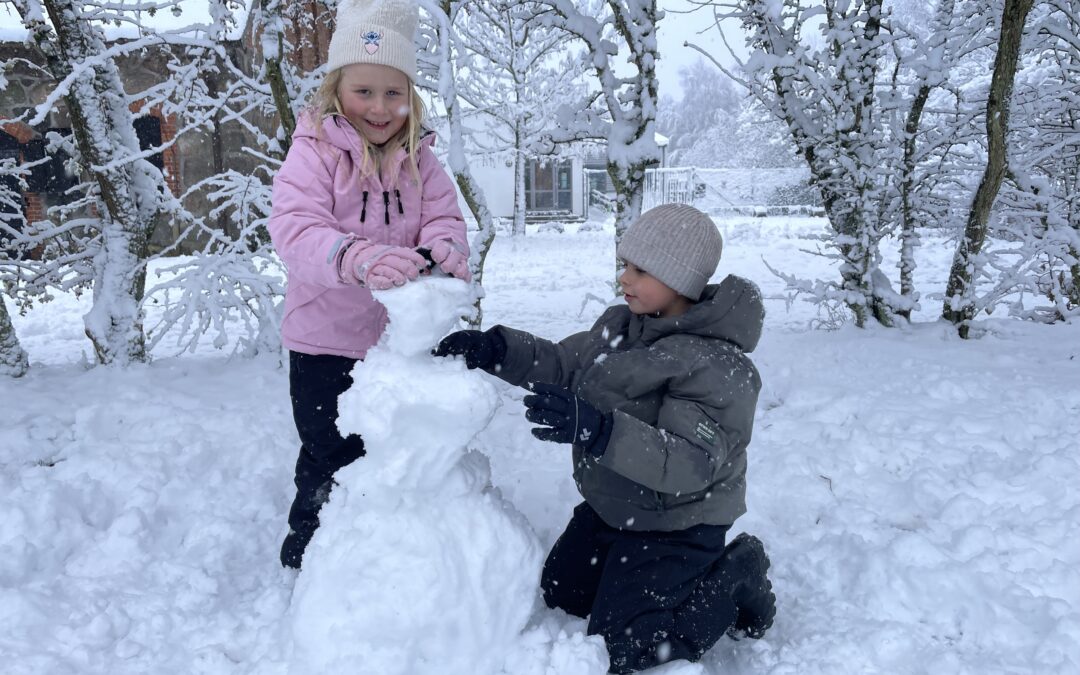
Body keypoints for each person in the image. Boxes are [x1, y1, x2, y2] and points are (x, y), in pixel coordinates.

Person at [434, 204, 776, 673]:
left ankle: (735, 576)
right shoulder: (620, 327)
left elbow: (688, 465)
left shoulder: (716, 366)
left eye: (640, 269)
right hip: (619, 508)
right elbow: (562, 363)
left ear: (680, 280)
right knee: (562, 593)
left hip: (679, 522)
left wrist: (599, 430)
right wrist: (496, 349)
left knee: (629, 648)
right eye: (624, 265)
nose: (624, 279)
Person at [267, 0, 471, 569]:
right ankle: (311, 553)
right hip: (324, 342)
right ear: (337, 89)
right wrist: (355, 258)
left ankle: (384, 549)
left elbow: (444, 221)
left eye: (393, 93)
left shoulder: (420, 158)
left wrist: (445, 251)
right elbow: (294, 228)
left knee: (393, 448)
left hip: (398, 346)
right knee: (328, 453)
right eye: (364, 92)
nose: (380, 108)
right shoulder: (314, 153)